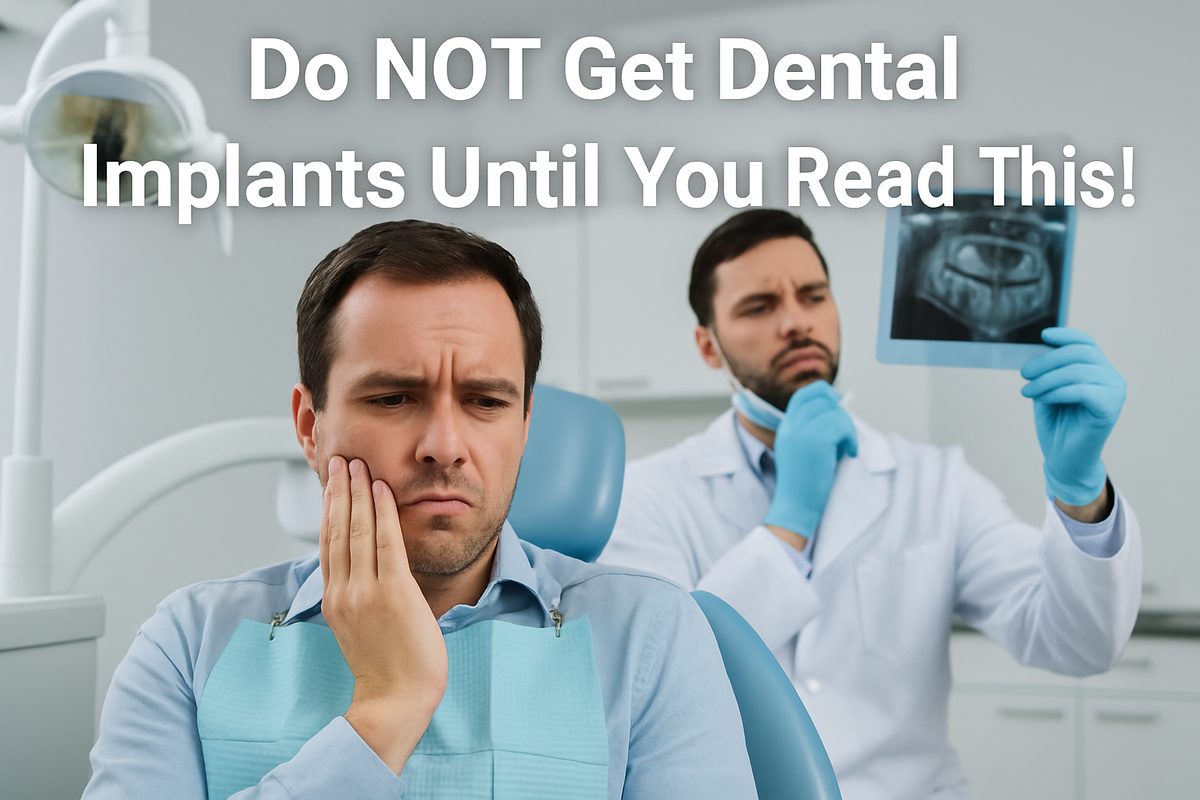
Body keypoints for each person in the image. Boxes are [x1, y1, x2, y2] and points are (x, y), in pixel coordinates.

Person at [82, 220, 757, 799]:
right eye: (393, 398)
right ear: (310, 426)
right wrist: (386, 709)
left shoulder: (651, 636)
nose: (443, 446)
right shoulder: (188, 645)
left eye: (486, 401)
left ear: (525, 425)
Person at [600, 208, 1142, 800]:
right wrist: (789, 523)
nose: (796, 323)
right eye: (759, 307)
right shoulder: (647, 496)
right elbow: (665, 685)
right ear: (709, 346)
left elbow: (1079, 643)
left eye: (813, 296)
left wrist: (1081, 490)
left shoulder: (936, 482)